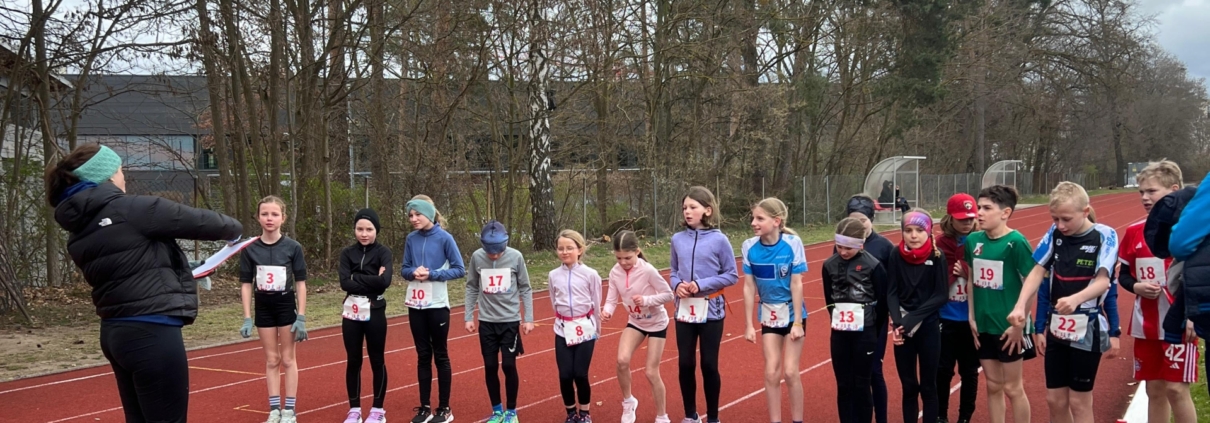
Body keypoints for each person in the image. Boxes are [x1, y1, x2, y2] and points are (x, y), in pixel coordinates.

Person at [47, 144, 243, 423]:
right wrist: (234, 233)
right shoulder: (135, 208)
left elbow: (127, 265)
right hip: (152, 331)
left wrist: (182, 267)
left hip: (115, 332)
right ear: (108, 176)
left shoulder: (78, 227)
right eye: (120, 170)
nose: (123, 177)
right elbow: (220, 226)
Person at [1006, 182, 1117, 423]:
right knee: (1054, 400)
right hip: (1058, 325)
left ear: (1085, 212)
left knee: (1079, 402)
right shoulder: (1055, 233)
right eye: (1055, 218)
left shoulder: (1105, 235)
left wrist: (1076, 298)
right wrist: (1019, 305)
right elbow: (1037, 270)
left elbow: (1103, 282)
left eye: (1066, 219)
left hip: (1087, 325)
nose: (1060, 225)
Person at [962, 185, 1034, 423]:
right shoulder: (973, 240)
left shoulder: (1016, 242)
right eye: (978, 207)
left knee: (1013, 388)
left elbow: (1031, 285)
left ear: (1005, 213)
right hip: (983, 325)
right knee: (992, 385)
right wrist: (971, 317)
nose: (978, 213)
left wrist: (1019, 325)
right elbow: (972, 280)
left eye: (986, 208)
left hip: (1008, 328)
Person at [670, 186, 739, 423]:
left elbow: (731, 275)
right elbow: (673, 272)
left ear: (707, 210)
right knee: (685, 362)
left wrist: (701, 284)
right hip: (684, 311)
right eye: (685, 208)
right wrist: (677, 284)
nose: (687, 212)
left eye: (693, 207)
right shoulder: (677, 239)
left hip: (711, 310)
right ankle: (690, 415)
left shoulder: (719, 240)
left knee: (709, 364)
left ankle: (713, 417)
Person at [239, 195, 309, 423]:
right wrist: (247, 317)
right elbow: (246, 284)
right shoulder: (249, 249)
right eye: (265, 214)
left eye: (274, 214)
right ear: (258, 217)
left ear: (283, 218)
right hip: (263, 306)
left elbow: (300, 283)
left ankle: (290, 410)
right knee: (271, 359)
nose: (270, 218)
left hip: (285, 303)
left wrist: (301, 316)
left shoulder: (293, 247)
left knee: (288, 359)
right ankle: (274, 409)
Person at [740, 198, 808, 423]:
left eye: (760, 218)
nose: (754, 223)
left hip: (791, 313)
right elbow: (749, 286)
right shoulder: (749, 247)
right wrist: (749, 325)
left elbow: (796, 283)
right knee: (771, 372)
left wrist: (797, 322)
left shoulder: (792, 243)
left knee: (789, 372)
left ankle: (797, 420)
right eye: (753, 218)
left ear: (776, 221)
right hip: (768, 314)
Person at [401, 195, 465, 423]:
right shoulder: (411, 239)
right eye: (410, 215)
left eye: (417, 214)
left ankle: (445, 408)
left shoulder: (445, 238)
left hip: (437, 305)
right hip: (416, 304)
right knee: (422, 355)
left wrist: (433, 274)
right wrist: (412, 273)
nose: (413, 219)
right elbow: (404, 268)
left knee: (440, 354)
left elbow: (459, 269)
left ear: (428, 213)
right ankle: (424, 407)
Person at [465, 220, 534, 423]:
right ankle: (497, 411)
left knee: (509, 366)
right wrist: (468, 315)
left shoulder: (516, 257)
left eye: (497, 252)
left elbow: (526, 288)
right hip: (486, 321)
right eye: (490, 252)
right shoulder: (477, 258)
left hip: (510, 321)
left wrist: (528, 318)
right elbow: (471, 286)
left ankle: (511, 412)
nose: (493, 256)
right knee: (489, 365)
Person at [602, 230, 674, 423]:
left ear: (637, 252)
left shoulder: (648, 270)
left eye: (628, 258)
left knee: (651, 371)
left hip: (656, 323)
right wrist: (607, 311)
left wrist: (646, 300)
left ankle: (662, 416)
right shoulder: (615, 272)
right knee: (622, 361)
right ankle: (628, 401)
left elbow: (668, 294)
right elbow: (610, 300)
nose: (623, 263)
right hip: (636, 322)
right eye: (619, 258)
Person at [886, 210, 948, 423]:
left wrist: (913, 319)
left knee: (928, 386)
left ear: (929, 231)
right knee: (909, 385)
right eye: (908, 230)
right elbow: (891, 291)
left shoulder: (937, 256)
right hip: (902, 328)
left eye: (919, 230)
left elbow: (941, 295)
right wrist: (897, 322)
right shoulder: (895, 254)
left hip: (928, 328)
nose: (913, 235)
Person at [823, 218, 886, 423]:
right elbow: (829, 300)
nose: (843, 252)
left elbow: (882, 302)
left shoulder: (873, 265)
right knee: (843, 384)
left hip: (865, 333)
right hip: (840, 334)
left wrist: (872, 330)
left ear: (860, 244)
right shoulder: (829, 265)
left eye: (849, 248)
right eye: (839, 246)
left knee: (862, 383)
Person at [841, 194, 893, 423]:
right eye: (853, 219)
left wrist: (883, 317)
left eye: (862, 220)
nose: (859, 224)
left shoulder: (884, 247)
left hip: (875, 321)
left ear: (871, 219)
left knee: (873, 372)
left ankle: (880, 418)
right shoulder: (842, 245)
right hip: (848, 320)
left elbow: (891, 287)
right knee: (850, 374)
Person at [339, 209, 393, 423]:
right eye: (360, 229)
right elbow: (344, 283)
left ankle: (378, 410)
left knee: (377, 360)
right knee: (353, 360)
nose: (364, 233)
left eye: (369, 229)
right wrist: (371, 278)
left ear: (376, 231)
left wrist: (356, 277)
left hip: (375, 311)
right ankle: (354, 409)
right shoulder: (347, 253)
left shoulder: (383, 253)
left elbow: (385, 282)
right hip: (351, 312)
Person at [549, 230, 603, 423]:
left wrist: (597, 329)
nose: (564, 252)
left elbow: (596, 302)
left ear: (580, 250)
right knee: (565, 375)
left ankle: (585, 413)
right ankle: (571, 413)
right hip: (562, 329)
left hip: (585, 329)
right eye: (561, 248)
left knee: (580, 373)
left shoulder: (591, 275)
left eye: (569, 248)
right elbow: (553, 300)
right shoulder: (553, 275)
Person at [935, 194, 980, 423]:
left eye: (971, 218)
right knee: (942, 371)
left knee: (970, 372)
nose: (967, 223)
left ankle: (964, 417)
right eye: (962, 218)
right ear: (950, 218)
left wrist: (968, 271)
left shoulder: (981, 242)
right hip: (946, 317)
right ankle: (941, 415)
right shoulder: (939, 245)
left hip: (972, 319)